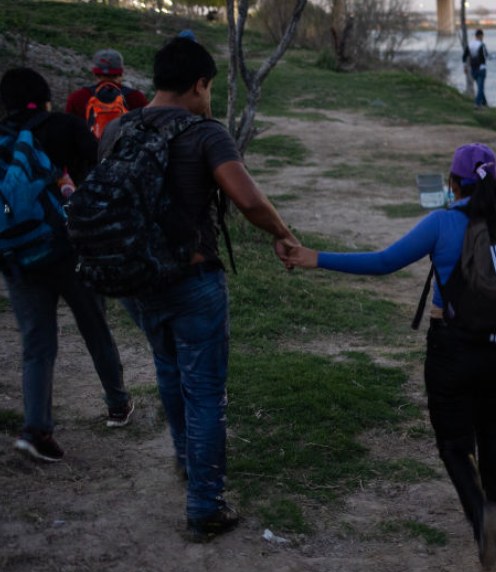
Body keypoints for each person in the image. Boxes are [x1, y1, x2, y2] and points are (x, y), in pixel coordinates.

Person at [284, 143, 496, 569]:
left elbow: (384, 262)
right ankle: (491, 504)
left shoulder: (442, 222)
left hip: (455, 350)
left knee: (454, 443)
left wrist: (315, 258)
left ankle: (481, 516)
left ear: (454, 184)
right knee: (492, 430)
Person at [98, 38, 301, 541]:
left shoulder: (121, 127)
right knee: (205, 391)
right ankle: (205, 506)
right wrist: (283, 233)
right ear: (199, 84)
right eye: (210, 89)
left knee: (169, 369)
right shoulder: (205, 132)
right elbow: (248, 199)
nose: (209, 98)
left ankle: (188, 461)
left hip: (135, 280)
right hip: (192, 281)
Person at [0, 68, 134, 463]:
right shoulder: (64, 126)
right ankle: (117, 404)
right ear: (45, 98)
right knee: (95, 327)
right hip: (69, 248)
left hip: (17, 256)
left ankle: (36, 429)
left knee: (36, 344)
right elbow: (103, 170)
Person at [65, 49, 149, 140]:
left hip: (89, 148)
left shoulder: (77, 97)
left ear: (94, 73)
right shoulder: (136, 97)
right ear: (121, 73)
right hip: (123, 148)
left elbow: (68, 132)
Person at [463, 29, 489, 109]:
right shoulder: (482, 45)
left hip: (473, 69)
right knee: (481, 88)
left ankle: (484, 103)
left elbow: (464, 56)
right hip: (481, 69)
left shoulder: (470, 44)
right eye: (482, 36)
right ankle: (477, 104)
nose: (483, 38)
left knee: (479, 87)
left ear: (475, 36)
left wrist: (465, 67)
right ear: (481, 36)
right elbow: (486, 56)